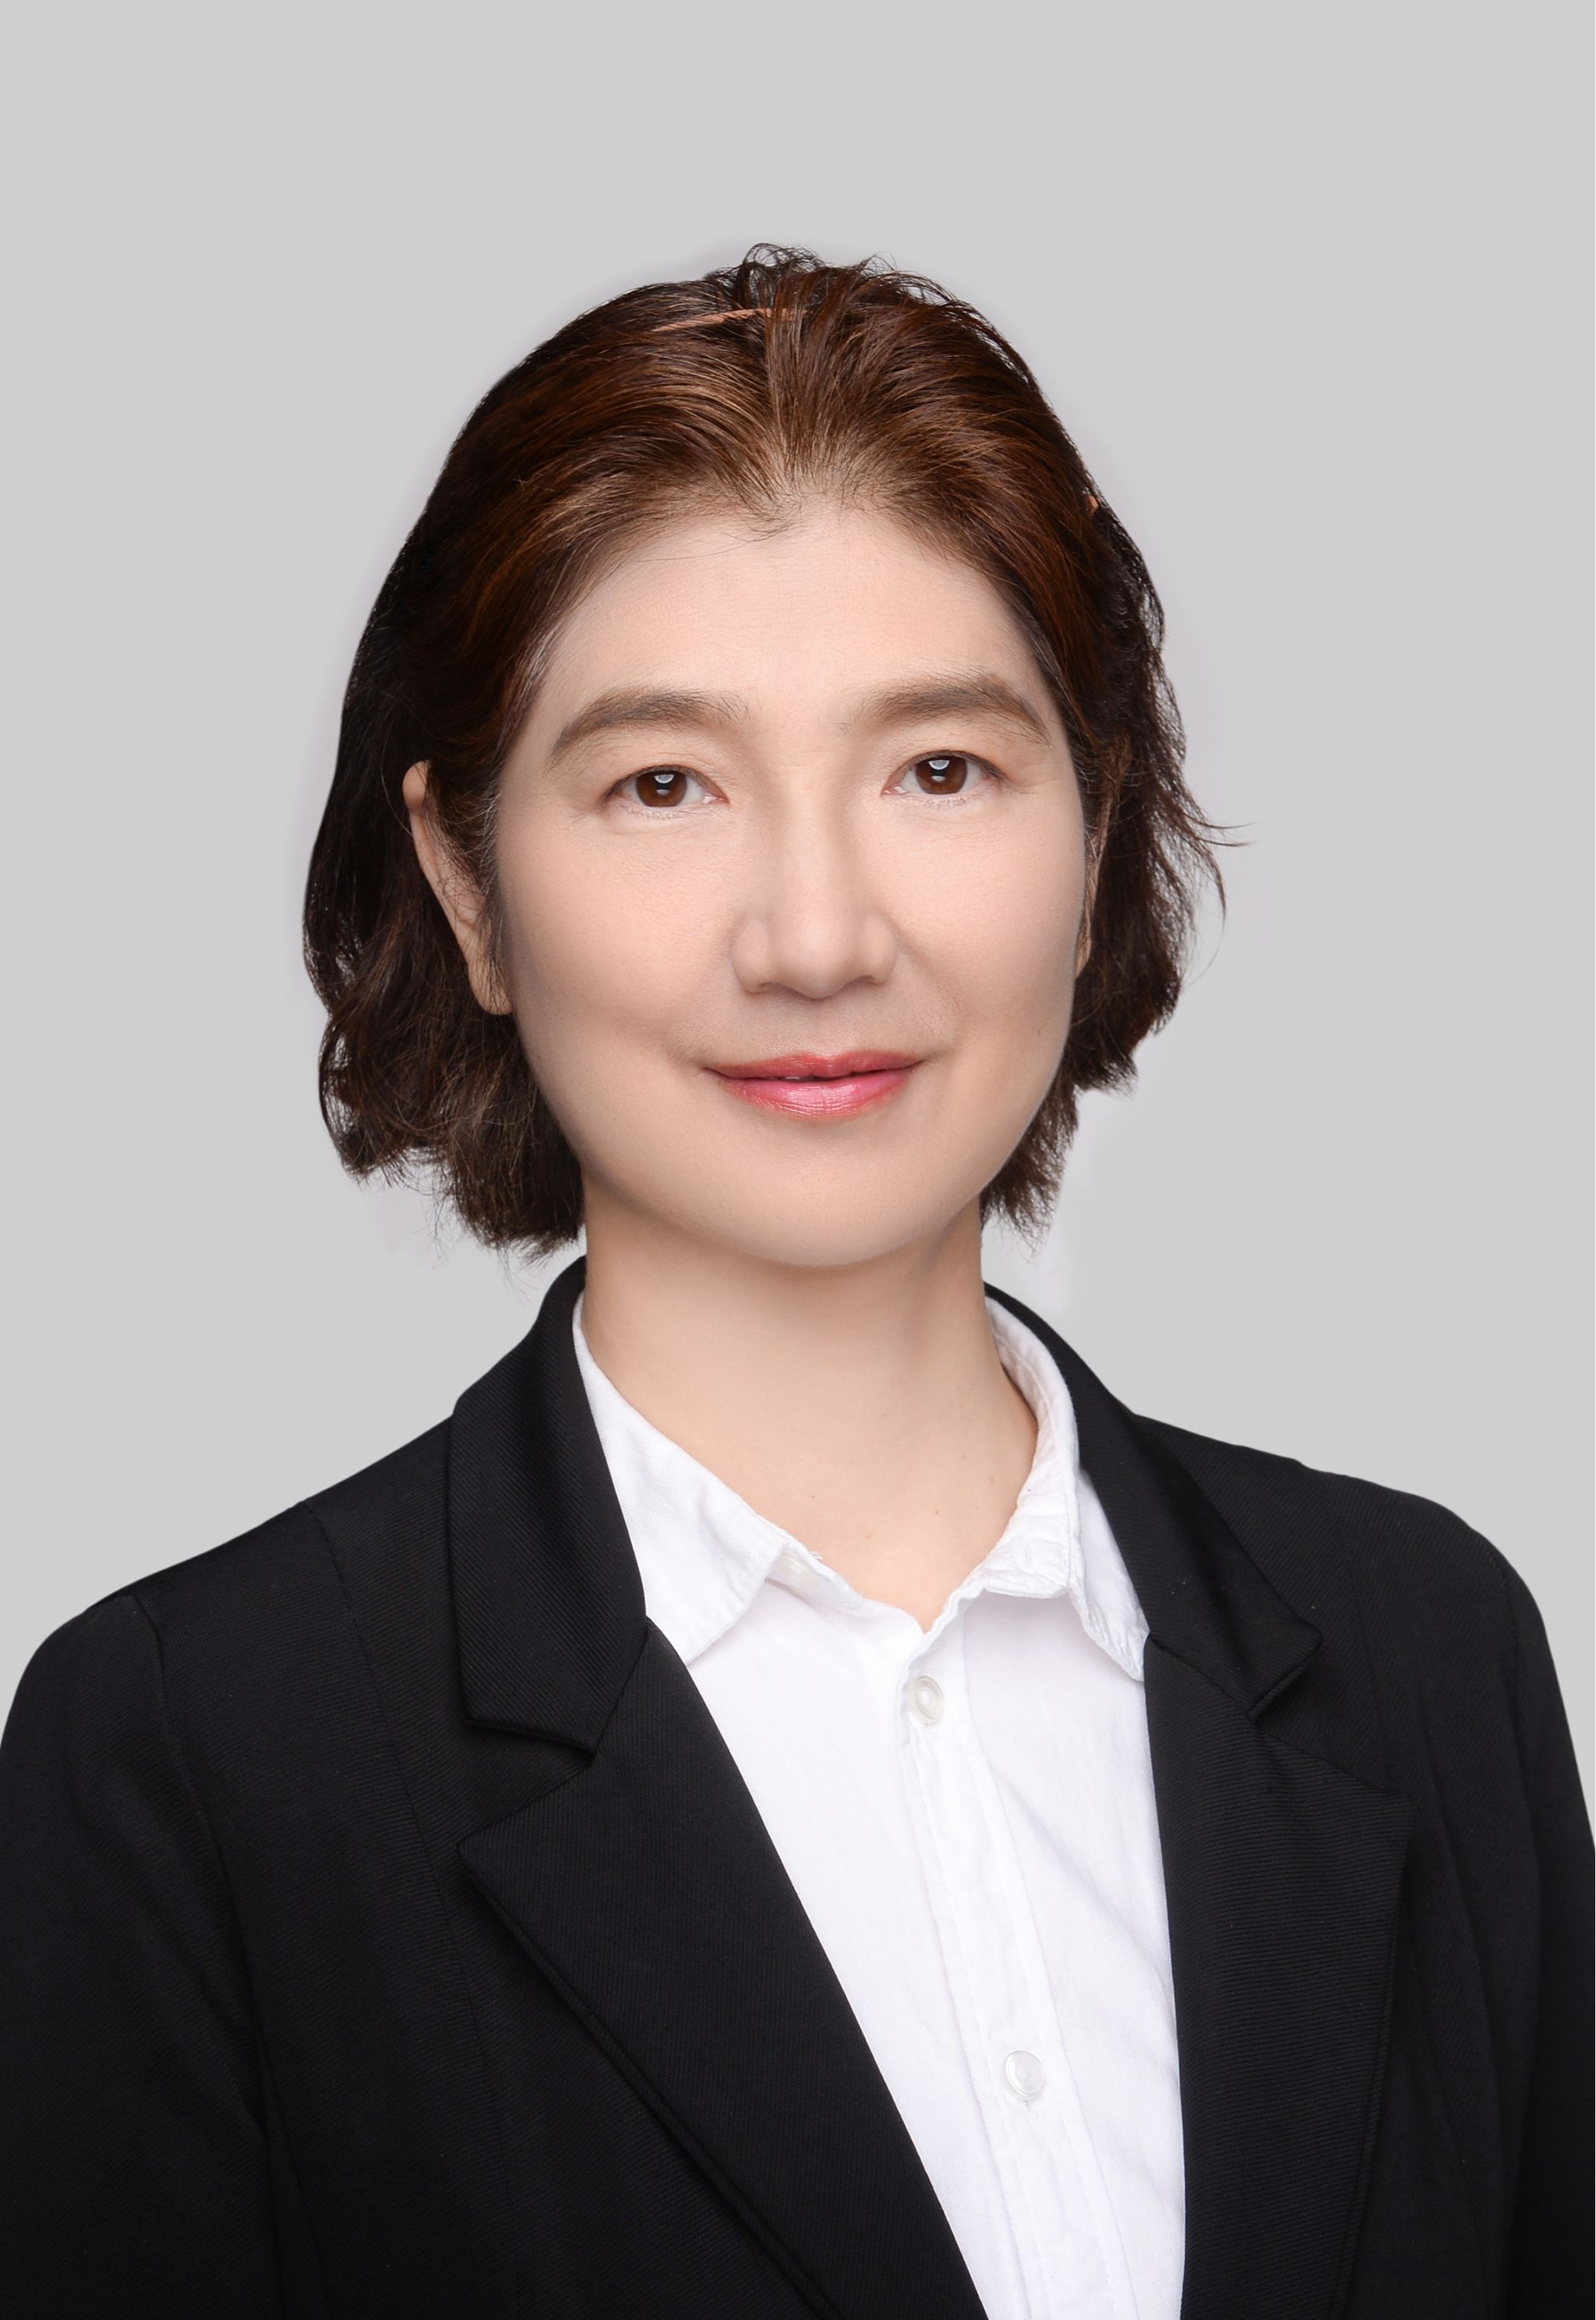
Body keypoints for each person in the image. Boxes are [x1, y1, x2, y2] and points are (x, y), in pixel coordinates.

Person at [0, 247, 1587, 2320]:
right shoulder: (193, 1758)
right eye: (663, 783)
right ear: (469, 880)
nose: (819, 935)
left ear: (1095, 829)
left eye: (941, 769)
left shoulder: (1427, 1653)